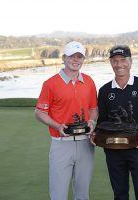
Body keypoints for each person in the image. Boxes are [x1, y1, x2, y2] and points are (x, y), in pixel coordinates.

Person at [91, 45, 138, 200]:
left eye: (123, 60)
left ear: (130, 61)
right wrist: (96, 132)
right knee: (120, 194)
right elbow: (102, 121)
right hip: (113, 150)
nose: (119, 64)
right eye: (115, 61)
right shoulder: (104, 91)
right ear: (110, 63)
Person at [35, 41, 98, 200]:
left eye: (79, 57)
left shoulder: (89, 81)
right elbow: (39, 113)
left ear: (83, 59)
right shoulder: (50, 83)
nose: (75, 60)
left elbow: (93, 108)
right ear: (64, 58)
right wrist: (56, 125)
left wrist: (92, 121)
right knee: (59, 195)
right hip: (61, 143)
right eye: (71, 56)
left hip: (86, 144)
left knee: (83, 194)